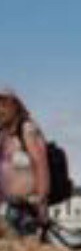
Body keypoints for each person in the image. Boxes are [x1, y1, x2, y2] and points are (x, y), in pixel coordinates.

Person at [0, 88, 51, 241]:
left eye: (4, 106)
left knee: (29, 249)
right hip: (11, 206)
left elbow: (41, 165)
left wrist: (42, 202)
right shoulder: (5, 134)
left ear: (14, 107)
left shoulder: (27, 129)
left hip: (29, 208)